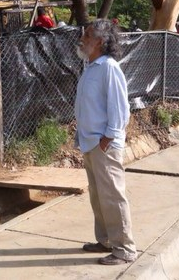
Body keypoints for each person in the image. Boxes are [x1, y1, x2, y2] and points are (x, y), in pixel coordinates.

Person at [75, 19, 137, 265]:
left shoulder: (109, 67)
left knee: (112, 196)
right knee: (98, 196)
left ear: (100, 41)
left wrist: (108, 137)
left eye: (88, 35)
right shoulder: (91, 66)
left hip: (104, 144)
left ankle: (125, 249)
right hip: (90, 142)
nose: (83, 38)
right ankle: (106, 241)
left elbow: (120, 109)